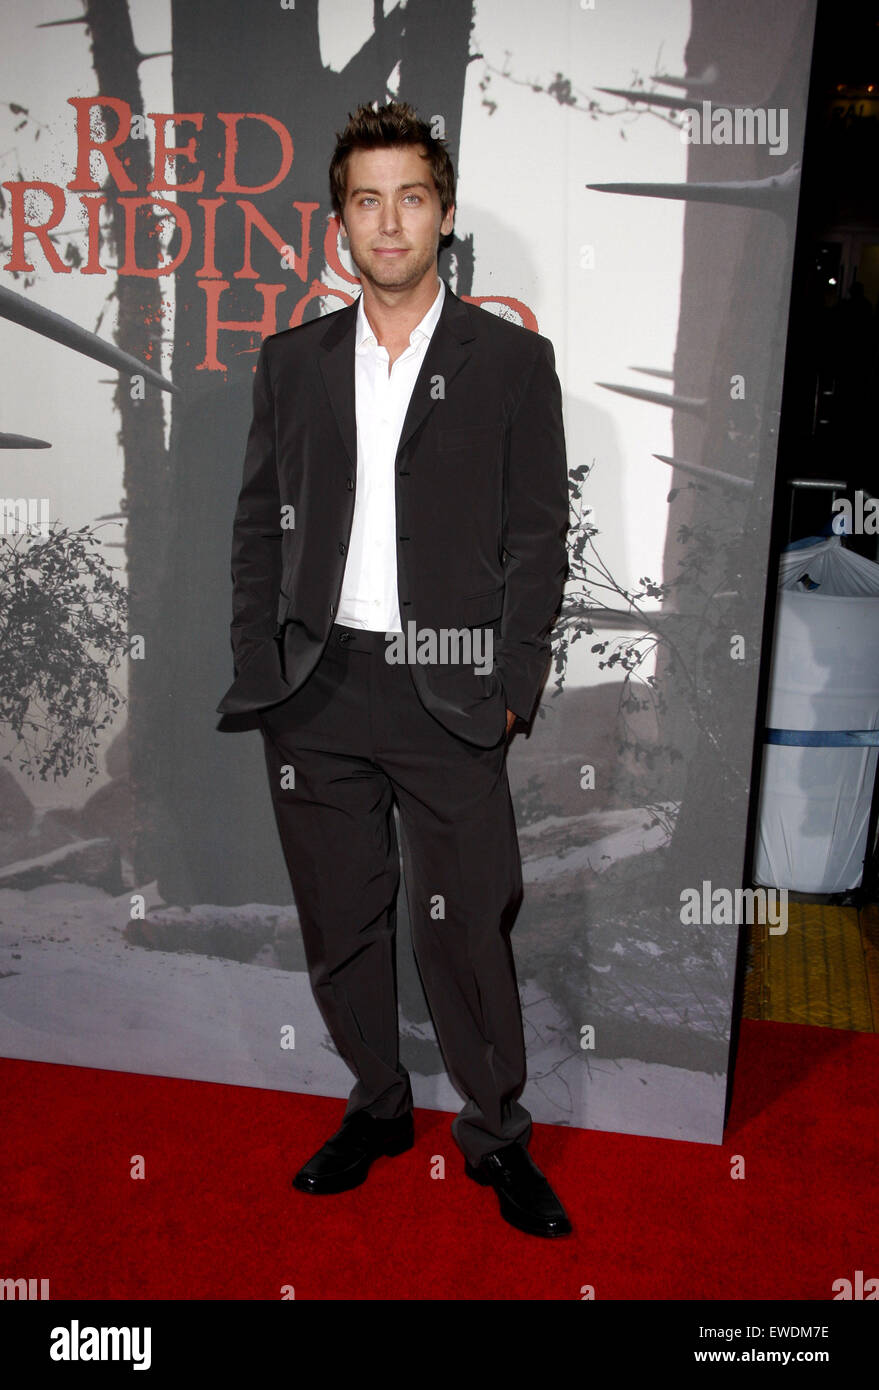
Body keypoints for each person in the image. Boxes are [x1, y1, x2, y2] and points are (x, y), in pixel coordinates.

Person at [217, 101, 571, 1238]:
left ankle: (496, 1133)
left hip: (452, 686)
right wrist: (259, 663)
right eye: (366, 200)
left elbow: (536, 538)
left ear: (445, 215)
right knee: (342, 916)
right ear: (339, 225)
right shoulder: (294, 360)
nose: (389, 220)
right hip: (315, 690)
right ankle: (374, 1106)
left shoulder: (512, 363)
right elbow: (257, 530)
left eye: (410, 197)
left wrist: (515, 679)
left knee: (467, 921)